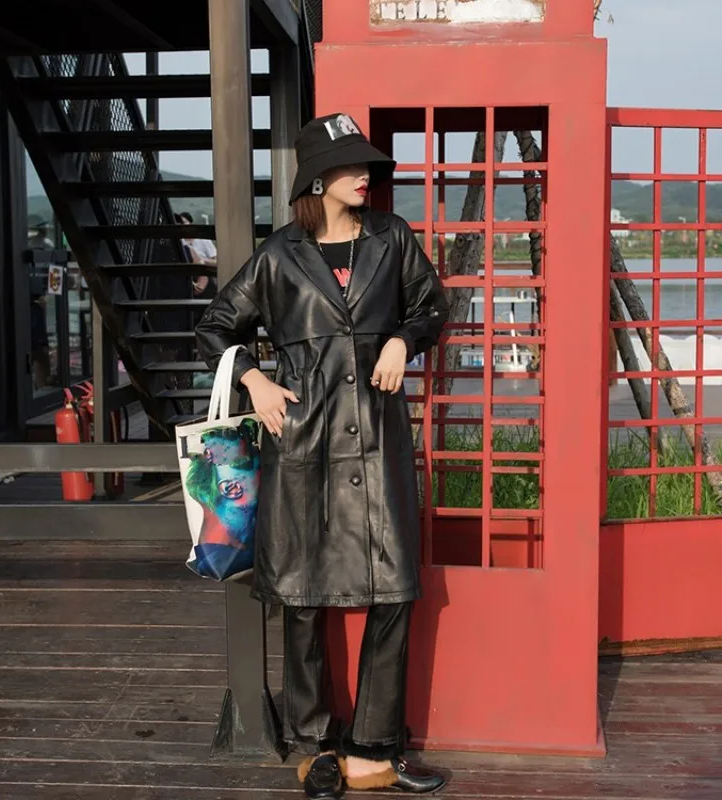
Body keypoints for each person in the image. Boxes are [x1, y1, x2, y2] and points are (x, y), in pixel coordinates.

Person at [195, 113, 449, 798]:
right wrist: (253, 378)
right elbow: (214, 326)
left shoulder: (392, 238)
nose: (364, 174)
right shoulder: (278, 255)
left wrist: (402, 339)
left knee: (394, 590)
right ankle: (314, 745)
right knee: (302, 598)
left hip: (378, 440)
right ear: (315, 178)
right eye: (349, 164)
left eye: (365, 163)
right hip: (302, 442)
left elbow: (431, 307)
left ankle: (372, 746)